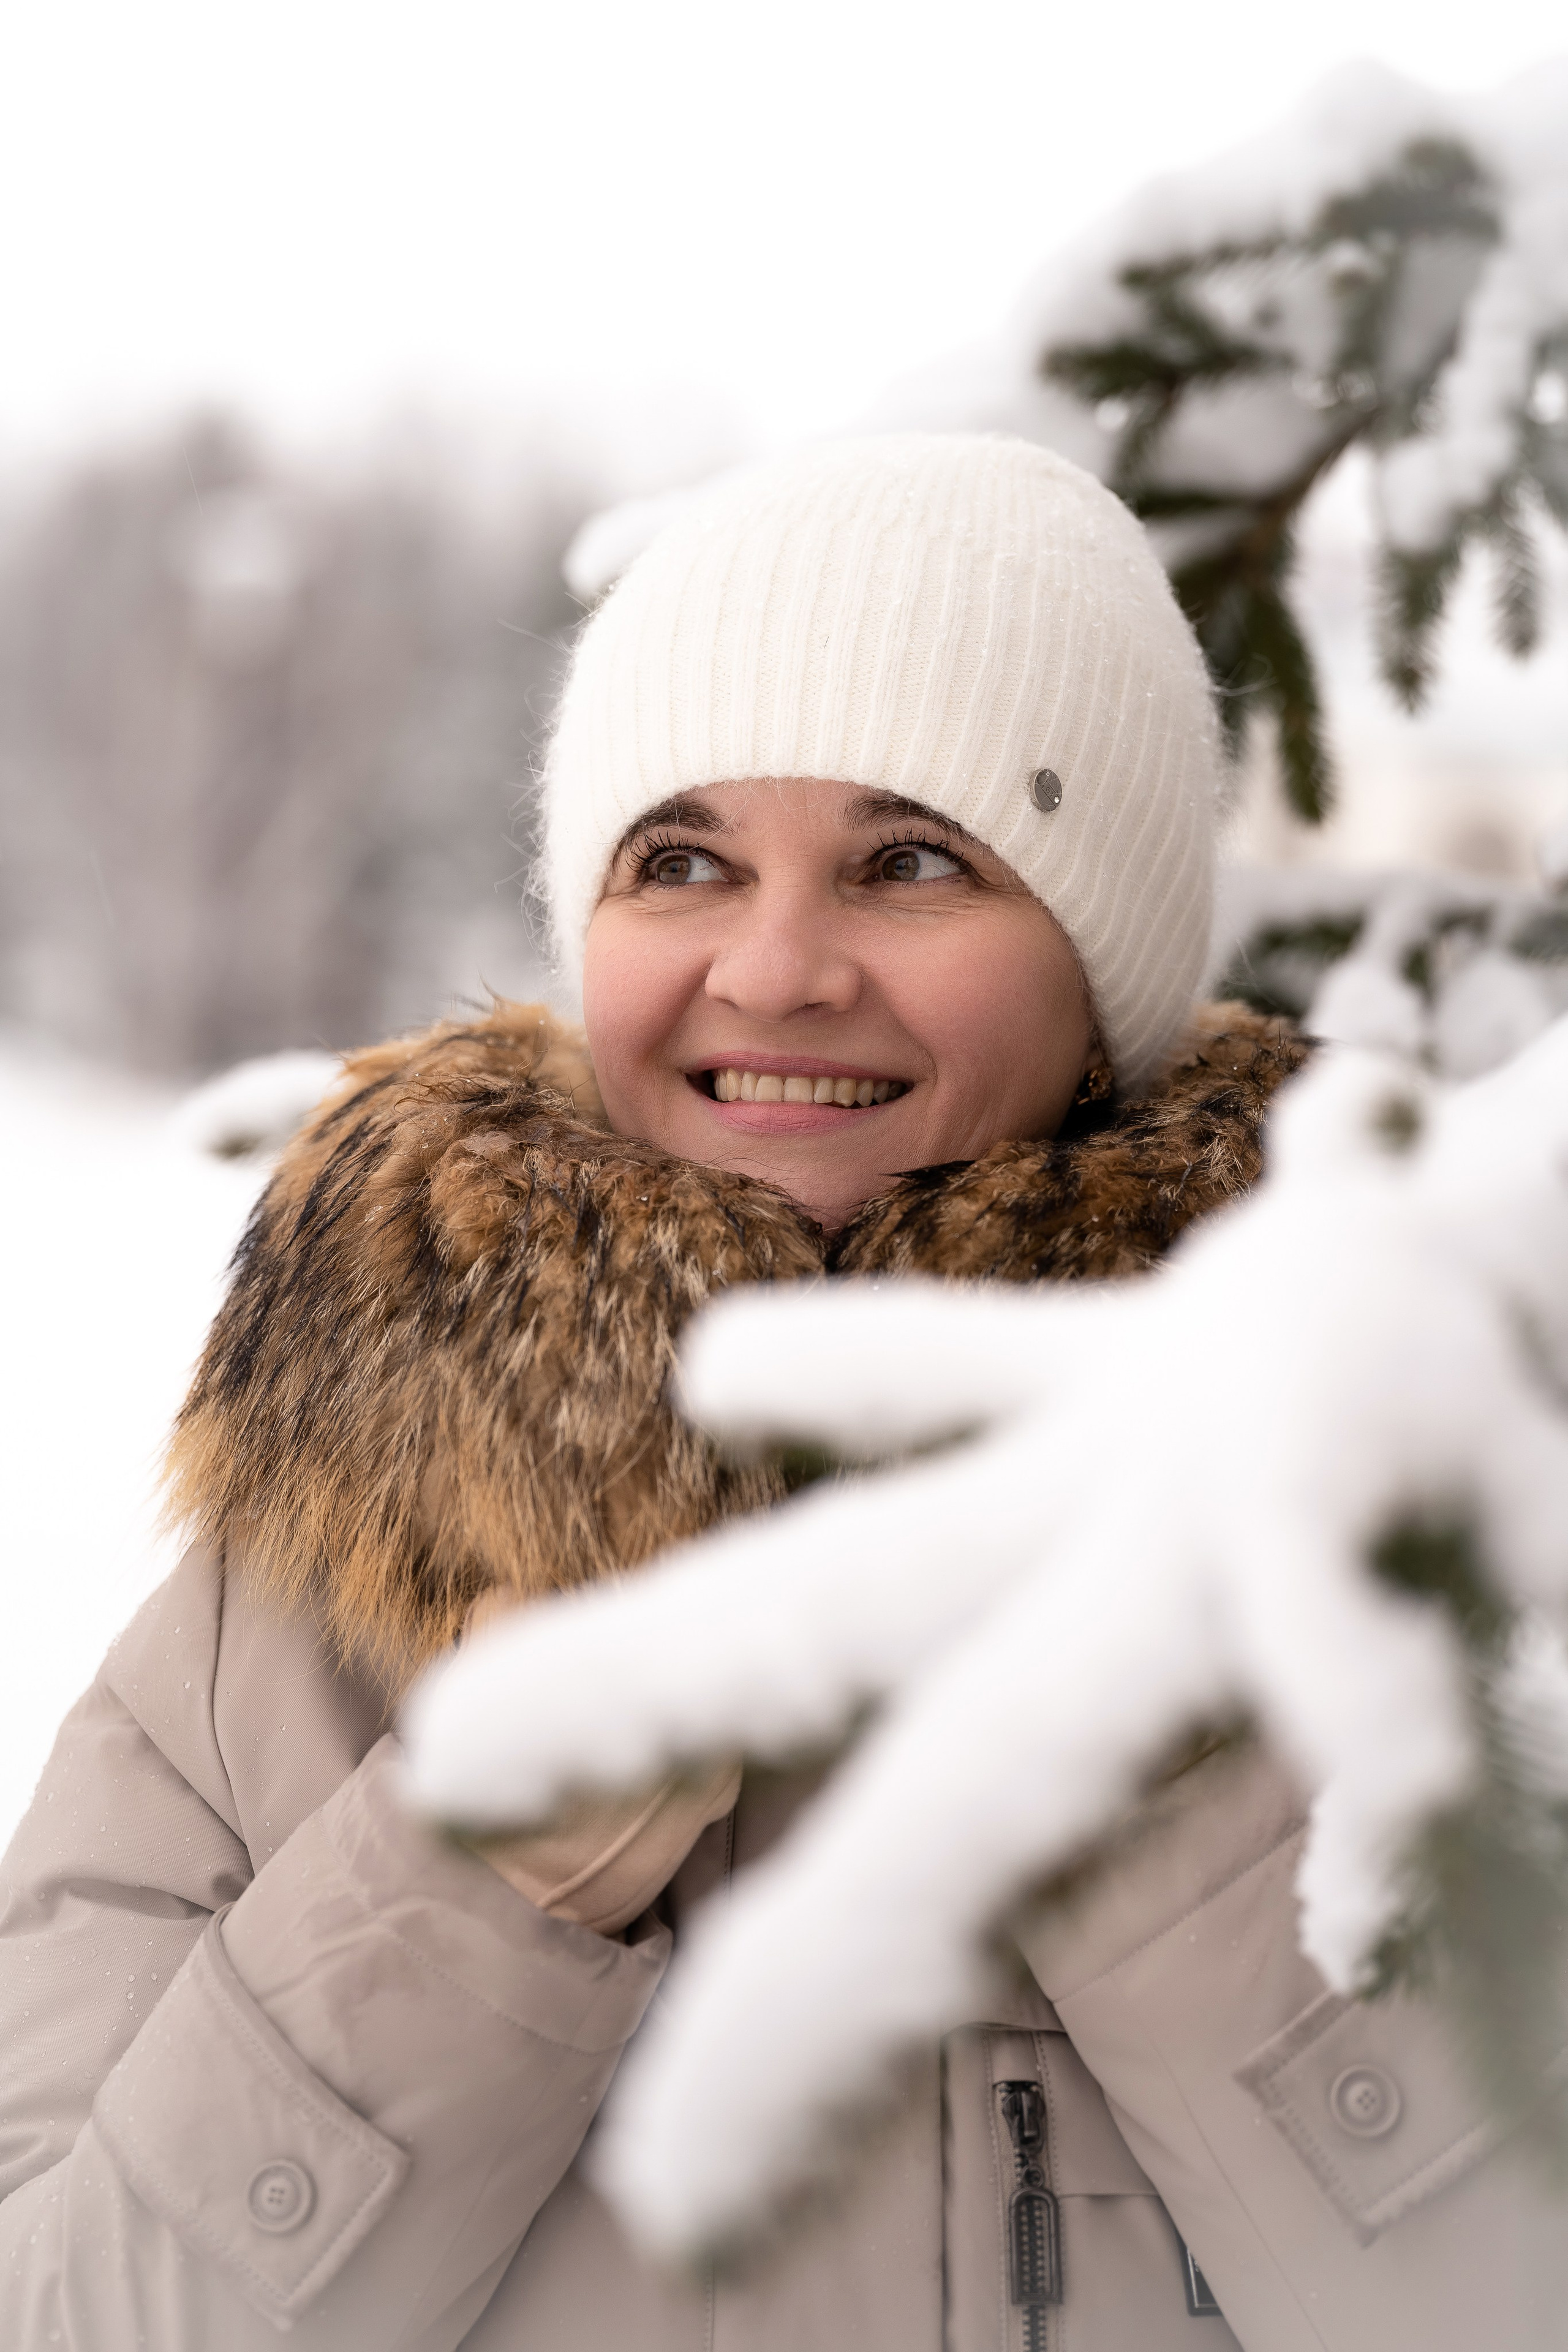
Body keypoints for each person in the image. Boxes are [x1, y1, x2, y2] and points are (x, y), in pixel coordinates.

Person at [0, 434, 1547, 2352]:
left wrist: (1162, 1802)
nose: (779, 967)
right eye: (684, 861)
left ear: (1107, 958)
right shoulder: (295, 1613)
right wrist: (463, 1895)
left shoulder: (1430, 1535)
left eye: (913, 860)